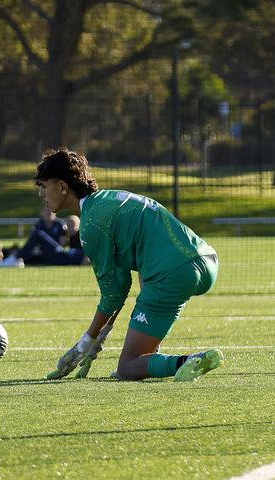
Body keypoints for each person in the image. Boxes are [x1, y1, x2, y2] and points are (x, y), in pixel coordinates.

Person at [37, 148, 223, 382]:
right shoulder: (108, 200)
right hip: (206, 261)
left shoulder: (91, 225)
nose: (42, 194)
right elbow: (122, 281)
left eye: (44, 186)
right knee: (145, 272)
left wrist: (87, 341)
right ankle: (149, 357)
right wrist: (100, 335)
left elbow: (113, 292)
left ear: (63, 187)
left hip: (173, 272)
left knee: (127, 369)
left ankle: (185, 361)